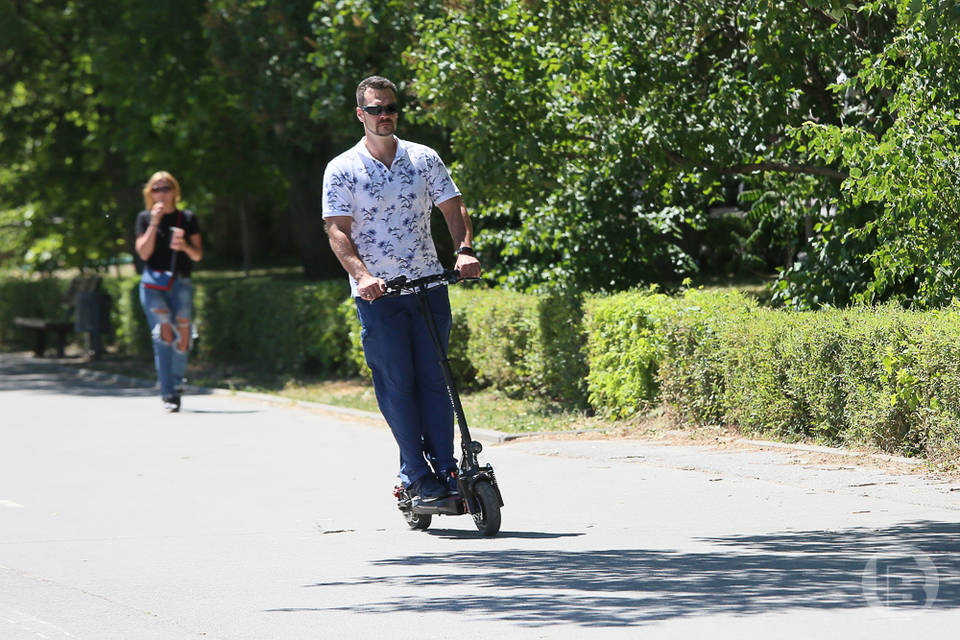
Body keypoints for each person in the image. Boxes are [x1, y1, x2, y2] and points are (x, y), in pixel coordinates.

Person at [322, 75, 482, 503]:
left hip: (429, 286)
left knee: (435, 379)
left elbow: (453, 207)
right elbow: (337, 230)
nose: (384, 114)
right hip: (380, 297)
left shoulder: (423, 158)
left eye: (390, 107)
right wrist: (362, 276)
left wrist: (464, 250)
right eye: (375, 109)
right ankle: (415, 472)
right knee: (398, 383)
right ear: (361, 114)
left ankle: (446, 468)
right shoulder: (342, 169)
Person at [134, 171, 203, 412]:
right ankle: (169, 393)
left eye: (165, 188)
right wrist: (154, 222)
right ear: (149, 193)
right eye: (156, 189)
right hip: (153, 285)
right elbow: (143, 254)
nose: (161, 193)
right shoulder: (144, 218)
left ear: (175, 191)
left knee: (183, 338)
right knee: (163, 334)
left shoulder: (187, 218)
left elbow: (198, 255)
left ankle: (175, 381)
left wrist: (184, 245)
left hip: (180, 283)